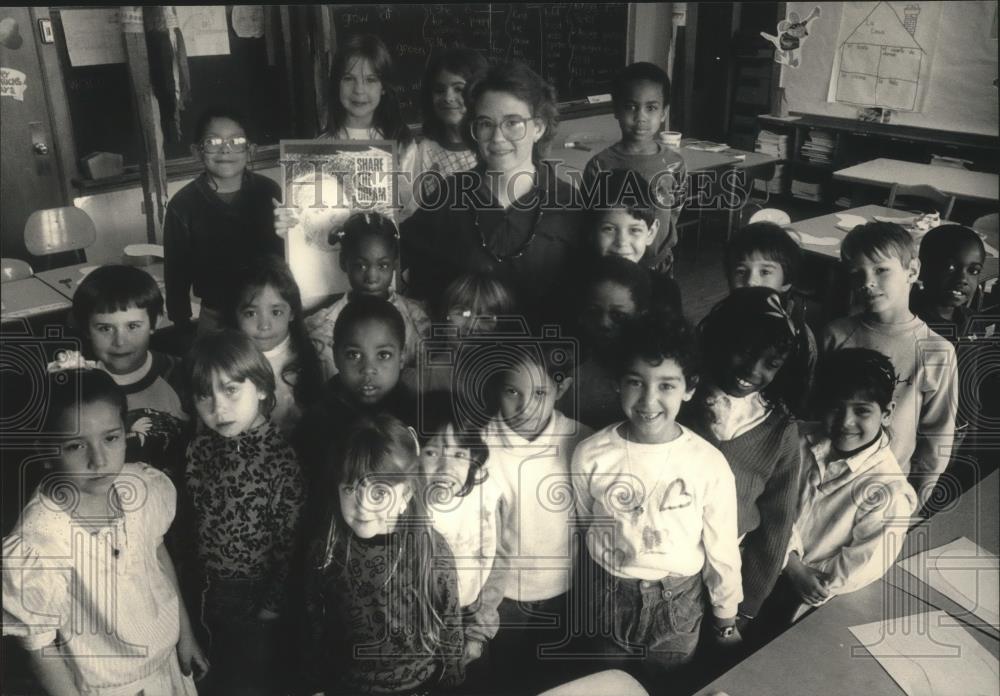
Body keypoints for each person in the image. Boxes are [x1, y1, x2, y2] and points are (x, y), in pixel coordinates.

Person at [2, 368, 208, 695]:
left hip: (165, 668)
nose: (99, 461)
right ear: (45, 450)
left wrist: (185, 634)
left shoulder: (140, 488)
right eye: (75, 446)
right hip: (109, 686)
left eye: (111, 438)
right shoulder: (40, 540)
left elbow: (156, 556)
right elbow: (40, 648)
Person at [572, 313, 742, 683]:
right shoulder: (591, 453)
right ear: (618, 383)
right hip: (608, 595)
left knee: (670, 684)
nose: (649, 400)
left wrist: (726, 617)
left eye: (666, 385)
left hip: (678, 603)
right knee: (608, 683)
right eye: (636, 382)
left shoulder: (708, 464)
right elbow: (588, 522)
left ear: (690, 387)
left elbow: (722, 548)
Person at [402, 61, 587, 321]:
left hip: (543, 353)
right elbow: (409, 266)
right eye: (486, 124)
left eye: (512, 123)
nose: (498, 138)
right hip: (462, 350)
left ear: (539, 127)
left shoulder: (570, 203)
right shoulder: (450, 194)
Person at [302, 413, 464, 695]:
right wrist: (316, 682)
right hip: (349, 685)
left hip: (418, 685)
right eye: (351, 488)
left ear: (406, 495)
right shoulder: (325, 550)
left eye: (379, 493)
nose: (362, 505)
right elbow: (314, 620)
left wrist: (454, 683)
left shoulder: (431, 549)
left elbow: (450, 621)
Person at [185, 330, 306, 696]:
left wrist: (270, 607)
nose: (218, 408)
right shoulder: (200, 446)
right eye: (204, 395)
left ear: (263, 390)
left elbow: (291, 546)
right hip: (205, 591)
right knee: (210, 676)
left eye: (231, 390)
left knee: (248, 683)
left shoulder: (281, 462)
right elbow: (192, 518)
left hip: (255, 598)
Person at [684, 287, 802, 636]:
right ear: (720, 341)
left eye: (771, 364)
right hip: (668, 565)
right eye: (744, 352)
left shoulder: (779, 429)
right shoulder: (682, 399)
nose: (752, 369)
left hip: (731, 573)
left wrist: (746, 603)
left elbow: (776, 526)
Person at [482, 343, 593, 693]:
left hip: (566, 588)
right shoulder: (481, 446)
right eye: (512, 391)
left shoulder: (580, 440)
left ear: (562, 389)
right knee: (506, 677)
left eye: (540, 392)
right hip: (506, 596)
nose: (526, 406)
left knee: (555, 679)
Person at [822, 222, 958, 506]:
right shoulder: (834, 335)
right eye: (857, 273)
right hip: (826, 481)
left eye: (881, 270)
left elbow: (937, 437)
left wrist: (917, 501)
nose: (867, 282)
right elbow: (813, 411)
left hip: (888, 491)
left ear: (912, 271)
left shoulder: (936, 352)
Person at [781, 348, 917, 615]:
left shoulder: (890, 492)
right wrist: (790, 564)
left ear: (888, 412)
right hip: (759, 567)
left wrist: (801, 575)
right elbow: (764, 503)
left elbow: (860, 566)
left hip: (808, 601)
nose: (846, 421)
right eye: (835, 407)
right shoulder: (793, 439)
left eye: (862, 411)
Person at [274, 34, 419, 231]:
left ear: (383, 87)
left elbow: (412, 213)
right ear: (336, 84)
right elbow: (306, 217)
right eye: (349, 79)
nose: (359, 90)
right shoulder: (320, 147)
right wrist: (289, 224)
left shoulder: (402, 145)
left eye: (371, 80)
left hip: (386, 253)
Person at [164, 106, 282, 332]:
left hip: (267, 310)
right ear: (196, 152)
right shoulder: (183, 204)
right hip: (215, 315)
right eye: (213, 142)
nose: (225, 150)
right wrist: (181, 323)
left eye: (236, 141)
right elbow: (176, 274)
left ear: (251, 150)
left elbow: (285, 252)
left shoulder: (269, 192)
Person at [418, 393, 506, 691]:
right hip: (419, 625)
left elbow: (497, 562)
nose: (445, 466)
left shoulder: (486, 495)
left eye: (459, 454)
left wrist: (478, 632)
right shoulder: (405, 501)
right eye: (432, 452)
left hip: (470, 618)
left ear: (474, 456)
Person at [71, 264, 188, 473]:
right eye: (105, 328)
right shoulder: (80, 385)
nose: (120, 341)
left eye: (132, 326)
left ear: (154, 322)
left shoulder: (182, 374)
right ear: (86, 329)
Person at [294, 296, 417, 493]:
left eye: (383, 355)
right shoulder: (316, 422)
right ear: (335, 356)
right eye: (354, 355)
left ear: (401, 357)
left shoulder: (416, 416)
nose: (368, 369)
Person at [582, 62, 687, 277]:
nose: (641, 117)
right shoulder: (599, 165)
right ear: (616, 110)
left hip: (659, 265)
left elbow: (674, 211)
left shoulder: (675, 163)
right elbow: (590, 220)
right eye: (631, 106)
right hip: (613, 264)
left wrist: (662, 249)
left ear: (664, 112)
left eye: (651, 107)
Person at [304, 212, 430, 379]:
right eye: (361, 266)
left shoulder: (417, 320)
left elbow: (426, 379)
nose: (372, 277)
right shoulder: (322, 328)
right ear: (343, 262)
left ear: (395, 263)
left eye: (383, 265)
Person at [726, 221, 817, 416]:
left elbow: (800, 393)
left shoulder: (800, 336)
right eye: (741, 271)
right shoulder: (718, 321)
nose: (751, 281)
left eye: (765, 272)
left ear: (786, 282)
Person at [225, 256, 323, 436]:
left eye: (276, 312)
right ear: (235, 314)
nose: (264, 325)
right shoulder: (226, 361)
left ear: (292, 313)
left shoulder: (307, 356)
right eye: (251, 313)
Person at [559, 254, 653, 430]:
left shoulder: (654, 367)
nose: (604, 323)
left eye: (618, 315)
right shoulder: (569, 368)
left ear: (641, 314)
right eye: (594, 312)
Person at [590, 169, 682, 313]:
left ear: (651, 233)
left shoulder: (666, 291)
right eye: (609, 229)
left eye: (634, 230)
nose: (621, 242)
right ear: (592, 230)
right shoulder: (575, 289)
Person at [415, 48, 489, 199]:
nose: (448, 97)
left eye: (459, 89)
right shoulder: (422, 151)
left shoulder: (491, 147)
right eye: (439, 90)